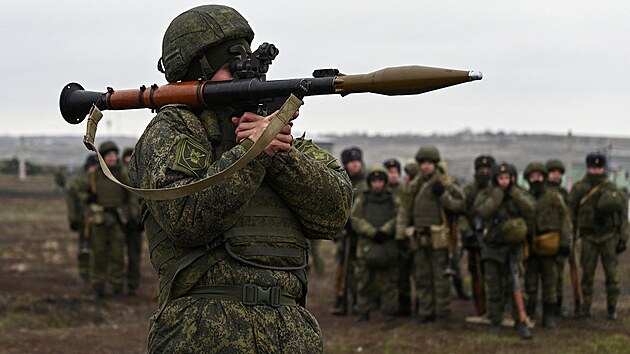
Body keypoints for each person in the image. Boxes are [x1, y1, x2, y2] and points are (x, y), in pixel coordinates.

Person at [127, 5, 352, 352]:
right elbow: (186, 217)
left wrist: (278, 152)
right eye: (230, 67)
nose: (245, 77)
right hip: (201, 332)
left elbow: (334, 213)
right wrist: (254, 152)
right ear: (195, 73)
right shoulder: (174, 129)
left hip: (290, 333)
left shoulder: (278, 136)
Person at [396, 145, 465, 326]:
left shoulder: (445, 183)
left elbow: (460, 205)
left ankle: (442, 313)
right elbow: (405, 209)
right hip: (419, 237)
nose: (426, 167)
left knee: (441, 278)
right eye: (423, 163)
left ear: (435, 164)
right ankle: (425, 311)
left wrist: (442, 195)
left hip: (439, 238)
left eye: (429, 163)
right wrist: (401, 233)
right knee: (422, 277)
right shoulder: (414, 185)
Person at [474, 162, 535, 339]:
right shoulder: (487, 194)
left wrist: (514, 193)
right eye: (500, 178)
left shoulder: (520, 193)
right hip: (492, 245)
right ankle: (495, 319)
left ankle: (521, 321)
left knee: (516, 284)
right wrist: (497, 195)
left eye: (507, 178)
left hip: (513, 245)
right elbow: (482, 211)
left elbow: (530, 209)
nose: (504, 181)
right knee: (493, 285)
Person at [568, 152, 628, 320]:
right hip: (588, 237)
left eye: (599, 168)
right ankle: (586, 306)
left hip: (608, 237)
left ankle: (612, 308)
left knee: (612, 276)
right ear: (588, 168)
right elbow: (571, 214)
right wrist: (571, 238)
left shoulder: (612, 189)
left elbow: (623, 215)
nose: (596, 171)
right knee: (587, 275)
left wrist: (623, 238)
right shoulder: (579, 188)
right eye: (593, 168)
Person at [523, 162, 571, 328]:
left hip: (549, 246)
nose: (536, 179)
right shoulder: (523, 197)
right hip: (530, 246)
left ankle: (549, 316)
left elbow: (564, 220)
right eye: (533, 177)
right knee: (530, 284)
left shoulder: (553, 197)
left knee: (550, 283)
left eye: (539, 176)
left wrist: (565, 243)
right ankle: (530, 313)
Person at [84, 141, 134, 301]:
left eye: (114, 155)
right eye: (109, 155)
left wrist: (131, 214)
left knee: (117, 256)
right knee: (98, 255)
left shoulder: (122, 173)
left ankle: (117, 289)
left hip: (117, 220)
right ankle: (98, 288)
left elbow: (132, 194)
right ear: (102, 158)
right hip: (99, 220)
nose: (112, 158)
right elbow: (81, 194)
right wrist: (89, 199)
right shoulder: (94, 176)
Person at [351, 166, 400, 322]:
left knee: (388, 282)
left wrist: (385, 231)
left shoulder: (393, 199)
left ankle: (388, 312)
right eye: (374, 181)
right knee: (364, 282)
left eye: (380, 181)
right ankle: (363, 311)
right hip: (367, 246)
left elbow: (399, 217)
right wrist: (372, 232)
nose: (377, 184)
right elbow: (355, 219)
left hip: (387, 246)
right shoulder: (363, 199)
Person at [331, 146, 367, 316]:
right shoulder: (342, 181)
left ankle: (358, 302)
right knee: (342, 268)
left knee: (359, 269)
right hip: (345, 233)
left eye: (357, 161)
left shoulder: (366, 183)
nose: (355, 165)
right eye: (351, 162)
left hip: (361, 233)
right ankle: (341, 299)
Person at [460, 154, 495, 315]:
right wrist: (467, 232)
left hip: (494, 238)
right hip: (474, 237)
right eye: (481, 169)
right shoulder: (469, 191)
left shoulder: (497, 190)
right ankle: (480, 306)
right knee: (476, 274)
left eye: (488, 169)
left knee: (494, 274)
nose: (484, 173)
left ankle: (496, 306)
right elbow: (462, 214)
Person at [66, 154, 98, 284]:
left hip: (97, 219)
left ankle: (96, 273)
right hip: (83, 219)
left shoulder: (100, 178)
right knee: (84, 247)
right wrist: (73, 219)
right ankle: (84, 273)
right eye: (92, 166)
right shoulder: (80, 180)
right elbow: (73, 200)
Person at [545, 158, 571, 316]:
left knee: (559, 274)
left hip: (561, 237)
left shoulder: (564, 194)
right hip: (546, 237)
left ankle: (557, 306)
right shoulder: (543, 192)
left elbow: (568, 218)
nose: (555, 176)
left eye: (558, 173)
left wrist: (567, 240)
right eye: (553, 172)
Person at [121, 147, 143, 296]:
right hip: (121, 221)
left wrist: (139, 218)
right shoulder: (118, 175)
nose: (129, 160)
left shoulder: (142, 175)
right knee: (116, 254)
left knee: (134, 255)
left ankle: (132, 284)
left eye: (131, 157)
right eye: (126, 157)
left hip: (136, 223)